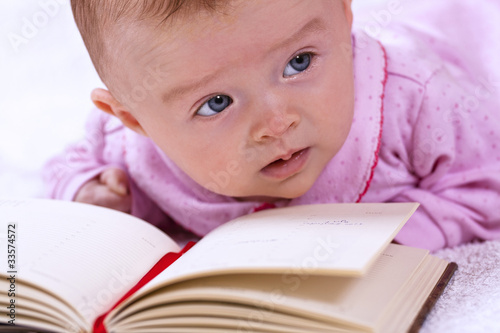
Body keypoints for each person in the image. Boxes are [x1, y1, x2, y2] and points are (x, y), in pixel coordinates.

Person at [44, 0, 500, 250]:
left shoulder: (416, 99)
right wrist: (91, 192)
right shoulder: (133, 150)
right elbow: (73, 163)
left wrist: (398, 239)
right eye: (216, 103)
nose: (276, 123)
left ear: (344, 14)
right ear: (135, 121)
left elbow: (486, 185)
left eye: (298, 62)